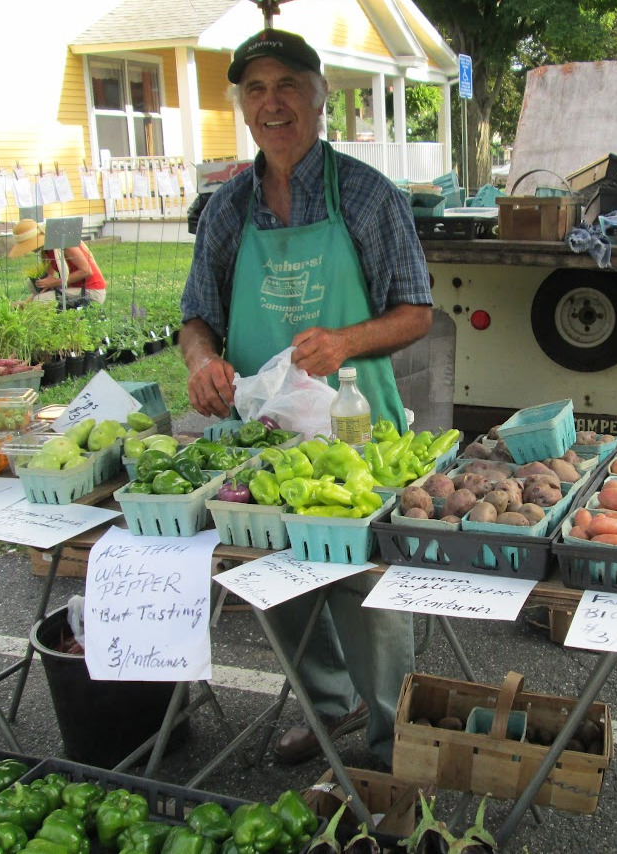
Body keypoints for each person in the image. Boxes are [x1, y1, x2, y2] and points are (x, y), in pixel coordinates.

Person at [179, 28, 433, 767]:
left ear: (321, 97)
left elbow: (415, 311)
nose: (272, 103)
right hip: (266, 437)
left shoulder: (365, 194)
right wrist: (202, 361)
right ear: (243, 107)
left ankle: (391, 744)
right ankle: (331, 708)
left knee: (365, 591)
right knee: (276, 580)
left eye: (288, 84)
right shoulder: (227, 208)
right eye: (255, 90)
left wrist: (348, 342)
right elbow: (197, 317)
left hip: (355, 430)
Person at [7, 219, 108, 305]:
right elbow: (47, 281)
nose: (29, 249)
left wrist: (56, 282)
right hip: (72, 287)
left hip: (91, 290)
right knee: (31, 284)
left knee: (40, 301)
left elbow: (86, 271)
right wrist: (27, 302)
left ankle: (57, 322)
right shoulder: (45, 250)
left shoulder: (64, 243)